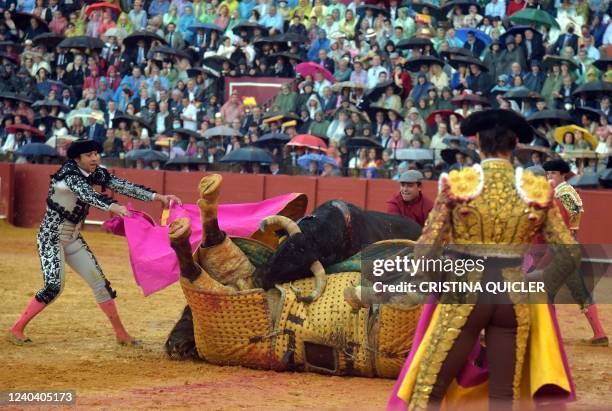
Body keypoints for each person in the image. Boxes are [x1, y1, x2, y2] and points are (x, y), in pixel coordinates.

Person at [387, 109, 579, 410]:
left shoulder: (456, 184)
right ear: (515, 144)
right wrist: (537, 285)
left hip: (465, 291)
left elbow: (425, 250)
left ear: (477, 143)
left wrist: (443, 282)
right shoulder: (537, 189)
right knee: (503, 396)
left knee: (429, 388)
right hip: (513, 297)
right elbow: (570, 252)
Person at [7, 140, 182, 346]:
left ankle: (121, 335)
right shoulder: (68, 176)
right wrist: (112, 206)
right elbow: (87, 194)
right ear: (77, 158)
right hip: (51, 237)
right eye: (89, 155)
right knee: (54, 286)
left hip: (72, 238)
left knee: (101, 284)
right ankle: (17, 328)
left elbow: (120, 185)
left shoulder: (93, 172)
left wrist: (158, 196)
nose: (95, 158)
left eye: (97, 154)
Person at [543, 159, 608, 346]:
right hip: (567, 248)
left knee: (545, 292)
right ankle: (599, 333)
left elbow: (566, 219)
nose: (550, 177)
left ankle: (550, 334)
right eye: (548, 174)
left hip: (561, 249)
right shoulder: (563, 192)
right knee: (579, 291)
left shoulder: (563, 193)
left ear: (563, 175)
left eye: (553, 174)